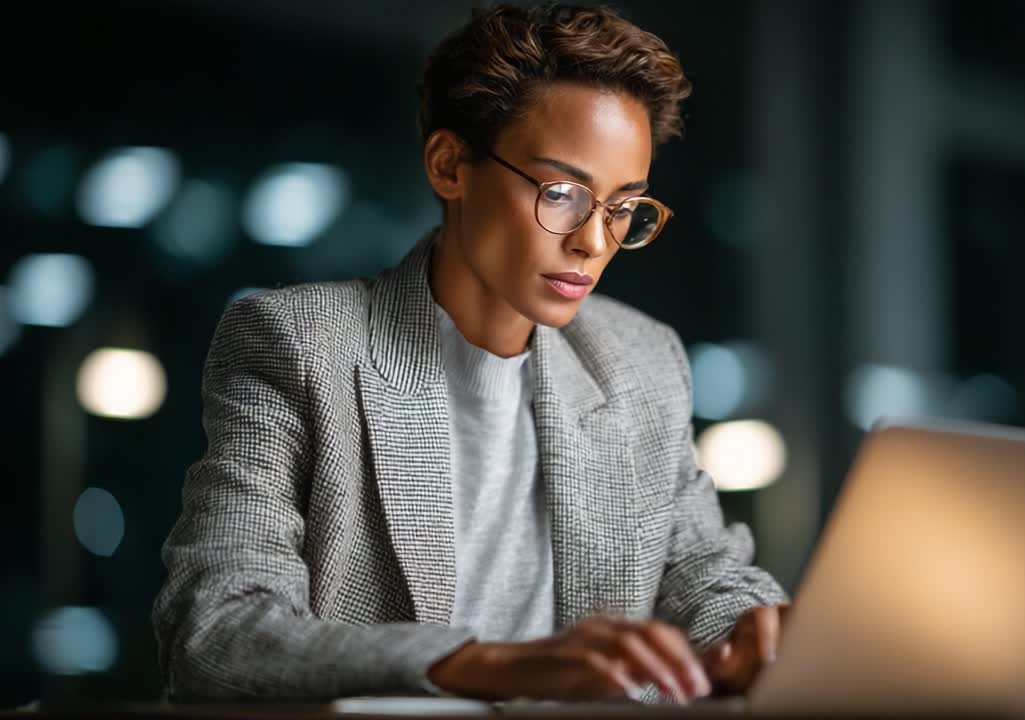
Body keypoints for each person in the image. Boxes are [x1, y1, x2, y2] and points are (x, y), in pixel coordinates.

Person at [152, 3, 788, 705]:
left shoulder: (641, 359)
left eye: (622, 207)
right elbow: (216, 632)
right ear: (450, 165)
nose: (593, 243)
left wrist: (755, 630)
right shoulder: (299, 346)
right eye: (563, 193)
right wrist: (494, 664)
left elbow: (704, 570)